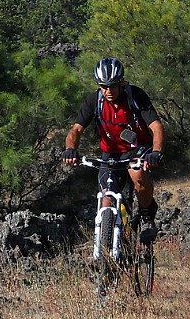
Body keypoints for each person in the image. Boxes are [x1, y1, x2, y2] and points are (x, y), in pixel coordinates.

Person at [62, 57, 165, 242]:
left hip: (137, 149)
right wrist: (70, 149)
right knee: (105, 200)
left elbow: (156, 126)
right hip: (110, 153)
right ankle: (105, 254)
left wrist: (156, 152)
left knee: (137, 173)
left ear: (121, 82)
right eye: (103, 86)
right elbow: (76, 129)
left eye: (112, 85)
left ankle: (147, 217)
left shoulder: (136, 96)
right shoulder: (95, 100)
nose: (108, 91)